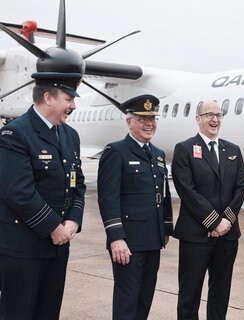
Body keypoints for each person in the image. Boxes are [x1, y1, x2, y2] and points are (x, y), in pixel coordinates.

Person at [0, 72, 85, 319]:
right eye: (69, 99)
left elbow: (77, 183)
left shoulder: (70, 135)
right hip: (23, 248)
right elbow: (18, 192)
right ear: (48, 97)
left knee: (48, 313)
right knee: (18, 313)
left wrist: (73, 220)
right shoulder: (15, 134)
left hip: (58, 248)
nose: (73, 106)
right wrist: (54, 228)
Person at [97, 94, 173, 320]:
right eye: (142, 118)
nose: (149, 123)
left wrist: (166, 229)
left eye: (152, 118)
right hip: (128, 242)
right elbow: (108, 198)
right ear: (129, 122)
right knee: (127, 301)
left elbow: (164, 196)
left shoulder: (158, 155)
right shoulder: (116, 151)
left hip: (153, 240)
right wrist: (115, 237)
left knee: (144, 298)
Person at [171, 100, 244, 320]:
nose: (214, 119)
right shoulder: (184, 149)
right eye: (208, 115)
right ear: (198, 119)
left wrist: (226, 221)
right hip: (196, 236)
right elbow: (186, 189)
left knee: (221, 292)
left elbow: (241, 185)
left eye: (218, 115)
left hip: (227, 236)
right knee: (190, 293)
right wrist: (214, 221)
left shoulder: (232, 150)